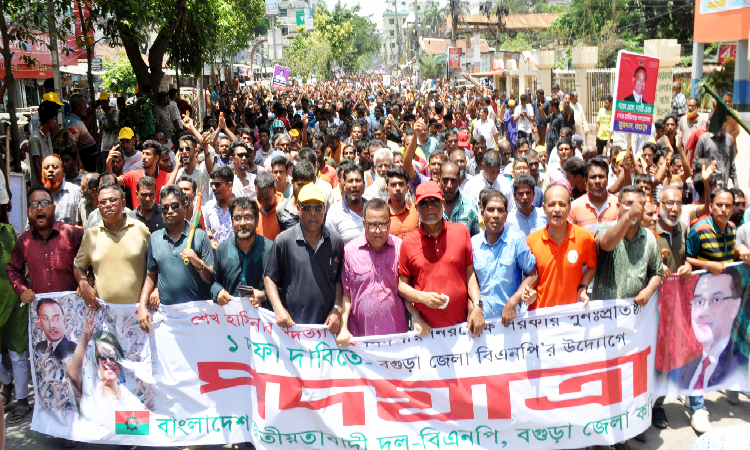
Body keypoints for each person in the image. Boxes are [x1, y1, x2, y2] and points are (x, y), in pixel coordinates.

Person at [397, 181, 484, 334]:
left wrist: (477, 305)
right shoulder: (408, 242)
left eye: (434, 201)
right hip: (427, 332)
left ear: (442, 204)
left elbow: (469, 273)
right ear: (416, 208)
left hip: (462, 328)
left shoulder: (461, 232)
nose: (429, 207)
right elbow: (401, 287)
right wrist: (423, 298)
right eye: (423, 203)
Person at [337, 199, 417, 346]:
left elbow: (406, 291)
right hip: (360, 340)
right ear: (363, 224)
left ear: (389, 223)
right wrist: (343, 328)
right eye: (372, 225)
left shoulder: (400, 249)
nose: (378, 230)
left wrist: (417, 319)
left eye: (383, 224)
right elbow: (346, 295)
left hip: (396, 339)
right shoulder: (349, 251)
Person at [264, 183, 343, 331]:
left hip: (327, 328)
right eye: (307, 208)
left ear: (324, 209)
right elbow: (269, 277)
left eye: (318, 207)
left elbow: (339, 280)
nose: (313, 213)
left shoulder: (335, 241)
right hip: (293, 328)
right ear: (298, 209)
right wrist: (278, 308)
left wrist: (337, 309)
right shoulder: (283, 240)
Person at [138, 186, 214, 331]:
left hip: (196, 316)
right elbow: (150, 276)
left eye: (174, 206)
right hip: (166, 317)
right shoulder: (155, 238)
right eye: (165, 208)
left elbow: (211, 278)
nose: (170, 211)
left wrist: (198, 263)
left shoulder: (199, 235)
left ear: (184, 206)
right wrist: (142, 305)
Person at [75, 183, 151, 307]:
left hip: (137, 312)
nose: (108, 205)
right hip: (103, 313)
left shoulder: (140, 229)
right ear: (99, 207)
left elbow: (155, 265)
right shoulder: (91, 235)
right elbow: (78, 266)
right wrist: (84, 285)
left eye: (113, 200)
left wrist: (155, 290)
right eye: (103, 202)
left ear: (123, 204)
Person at [668, 271, 747, 389]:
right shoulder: (677, 366)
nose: (704, 312)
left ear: (734, 307)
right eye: (699, 302)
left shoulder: (738, 366)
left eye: (716, 300)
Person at [525, 183, 597, 310]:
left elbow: (592, 265)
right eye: (552, 204)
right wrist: (530, 291)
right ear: (544, 208)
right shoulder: (532, 240)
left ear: (569, 208)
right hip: (540, 317)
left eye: (562, 204)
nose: (557, 209)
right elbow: (529, 276)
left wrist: (583, 287)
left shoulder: (584, 237)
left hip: (571, 315)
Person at [472, 189, 536, 322]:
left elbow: (533, 273)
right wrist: (473, 309)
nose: (496, 215)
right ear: (483, 214)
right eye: (491, 210)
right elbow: (469, 280)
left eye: (500, 210)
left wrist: (513, 302)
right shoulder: (473, 244)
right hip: (482, 323)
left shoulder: (516, 241)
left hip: (511, 321)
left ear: (506, 215)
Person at [592, 185, 663, 302]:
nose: (633, 208)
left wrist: (648, 291)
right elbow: (606, 244)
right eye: (628, 204)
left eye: (638, 205)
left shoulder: (649, 237)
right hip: (606, 315)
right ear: (618, 206)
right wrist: (628, 216)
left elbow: (657, 271)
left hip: (636, 314)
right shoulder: (605, 228)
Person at [212, 197, 273, 307]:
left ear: (257, 221)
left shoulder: (271, 249)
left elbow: (282, 286)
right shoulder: (222, 250)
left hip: (262, 319)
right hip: (232, 319)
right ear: (232, 222)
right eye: (237, 218)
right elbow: (215, 282)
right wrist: (218, 292)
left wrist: (264, 295)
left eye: (248, 217)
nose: (242, 223)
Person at [568, 157, 619, 234]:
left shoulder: (618, 205)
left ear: (607, 179)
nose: (597, 181)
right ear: (586, 181)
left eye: (601, 177)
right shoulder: (574, 208)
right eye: (593, 177)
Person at [168, 134, 213, 207]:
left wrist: (191, 127)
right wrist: (177, 166)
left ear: (195, 152)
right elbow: (166, 192)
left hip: (201, 216)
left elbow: (211, 152)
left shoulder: (203, 169)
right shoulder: (178, 172)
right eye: (181, 149)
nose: (184, 152)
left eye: (188, 149)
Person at [326, 164, 366, 244]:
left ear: (364, 184)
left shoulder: (373, 209)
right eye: (350, 181)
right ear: (343, 185)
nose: (354, 185)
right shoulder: (334, 212)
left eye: (358, 180)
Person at [439, 160, 480, 235]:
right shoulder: (431, 205)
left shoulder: (470, 205)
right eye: (445, 180)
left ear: (460, 181)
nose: (449, 186)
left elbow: (474, 239)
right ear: (439, 180)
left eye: (453, 181)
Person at [276, 161, 317, 232]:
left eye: (307, 185)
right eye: (300, 185)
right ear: (292, 182)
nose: (304, 189)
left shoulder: (321, 206)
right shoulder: (281, 209)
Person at [41, 154, 81, 226]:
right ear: (42, 173)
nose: (50, 170)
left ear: (62, 170)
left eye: (55, 167)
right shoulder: (38, 195)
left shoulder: (75, 192)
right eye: (46, 168)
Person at [204, 166, 235, 248]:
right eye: (212, 184)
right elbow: (207, 230)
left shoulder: (240, 207)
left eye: (217, 185)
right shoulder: (209, 207)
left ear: (229, 185)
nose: (214, 188)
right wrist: (210, 240)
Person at [386, 167, 418, 239]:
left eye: (401, 184)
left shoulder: (416, 210)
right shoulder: (382, 213)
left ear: (407, 188)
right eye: (393, 185)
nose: (397, 188)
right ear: (387, 190)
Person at [255, 172, 283, 241]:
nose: (263, 203)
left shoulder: (285, 208)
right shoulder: (253, 206)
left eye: (267, 199)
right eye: (259, 199)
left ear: (274, 190)